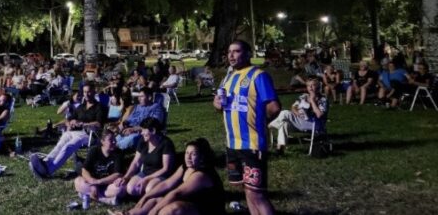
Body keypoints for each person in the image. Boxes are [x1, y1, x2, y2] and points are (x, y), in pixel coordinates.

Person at [213, 40, 280, 215]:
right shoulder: (228, 77)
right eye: (229, 51)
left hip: (252, 144)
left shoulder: (259, 76)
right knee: (248, 190)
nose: (231, 55)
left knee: (257, 194)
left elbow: (274, 107)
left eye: (236, 51)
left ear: (248, 54)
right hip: (232, 144)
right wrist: (217, 104)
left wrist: (260, 122)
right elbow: (220, 103)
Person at [110, 137, 225, 215]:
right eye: (186, 153)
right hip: (190, 204)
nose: (188, 157)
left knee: (170, 209)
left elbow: (176, 193)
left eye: (193, 154)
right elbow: (166, 184)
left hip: (207, 210)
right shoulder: (185, 167)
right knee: (154, 200)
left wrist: (154, 211)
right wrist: (145, 197)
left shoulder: (201, 175)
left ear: (202, 157)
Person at [29, 83, 105, 179]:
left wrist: (83, 124)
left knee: (68, 146)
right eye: (85, 92)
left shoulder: (99, 107)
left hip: (89, 134)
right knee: (60, 143)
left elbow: (99, 124)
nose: (86, 94)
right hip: (75, 132)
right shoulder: (81, 107)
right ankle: (46, 162)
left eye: (89, 91)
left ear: (94, 92)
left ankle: (49, 170)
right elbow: (69, 119)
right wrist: (70, 123)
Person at [105, 117, 175, 201]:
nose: (141, 133)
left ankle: (155, 197)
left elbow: (166, 169)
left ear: (153, 131)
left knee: (149, 189)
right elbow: (136, 162)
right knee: (131, 189)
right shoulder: (143, 141)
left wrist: (147, 178)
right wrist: (126, 177)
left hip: (161, 175)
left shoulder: (166, 144)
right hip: (146, 172)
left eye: (143, 130)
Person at [268, 79, 328, 153]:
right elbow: (293, 107)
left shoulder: (323, 99)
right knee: (284, 124)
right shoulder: (304, 96)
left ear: (318, 87)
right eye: (308, 86)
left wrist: (312, 101)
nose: (310, 87)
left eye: (313, 85)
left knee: (285, 113)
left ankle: (268, 125)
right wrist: (296, 112)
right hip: (299, 122)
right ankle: (280, 148)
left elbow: (319, 115)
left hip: (313, 124)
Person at [74, 130, 124, 205]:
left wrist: (99, 182)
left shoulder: (118, 153)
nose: (114, 142)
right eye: (111, 140)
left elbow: (117, 174)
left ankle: (89, 195)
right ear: (102, 141)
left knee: (120, 189)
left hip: (108, 185)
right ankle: (106, 200)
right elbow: (84, 170)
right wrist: (93, 183)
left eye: (114, 139)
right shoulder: (94, 150)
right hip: (93, 183)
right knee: (77, 181)